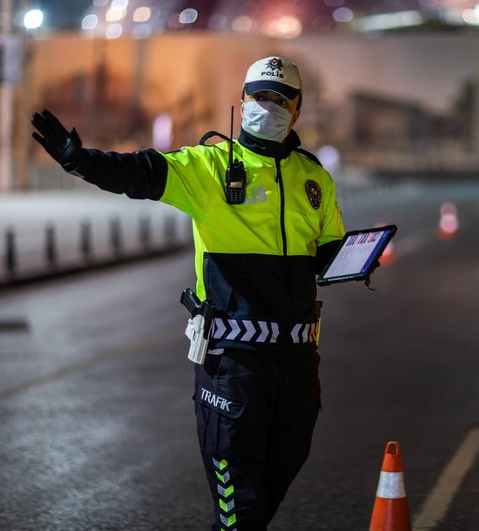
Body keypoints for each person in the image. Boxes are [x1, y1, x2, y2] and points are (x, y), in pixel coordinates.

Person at [31, 55, 346, 530]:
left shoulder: (314, 177)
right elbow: (140, 173)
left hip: (299, 366)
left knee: (271, 486)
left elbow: (327, 253)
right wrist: (81, 161)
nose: (269, 105)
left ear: (298, 110)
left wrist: (354, 259)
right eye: (260, 95)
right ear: (242, 102)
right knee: (240, 504)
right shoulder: (208, 167)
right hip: (233, 363)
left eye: (281, 99)